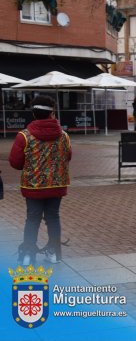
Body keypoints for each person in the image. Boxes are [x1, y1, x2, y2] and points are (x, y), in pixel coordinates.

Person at [9, 95, 72, 265]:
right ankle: (55, 253)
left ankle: (28, 254)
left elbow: (15, 163)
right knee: (53, 217)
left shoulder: (24, 136)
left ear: (34, 114)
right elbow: (68, 156)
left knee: (32, 218)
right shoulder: (64, 136)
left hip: (33, 186)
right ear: (52, 113)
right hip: (56, 184)